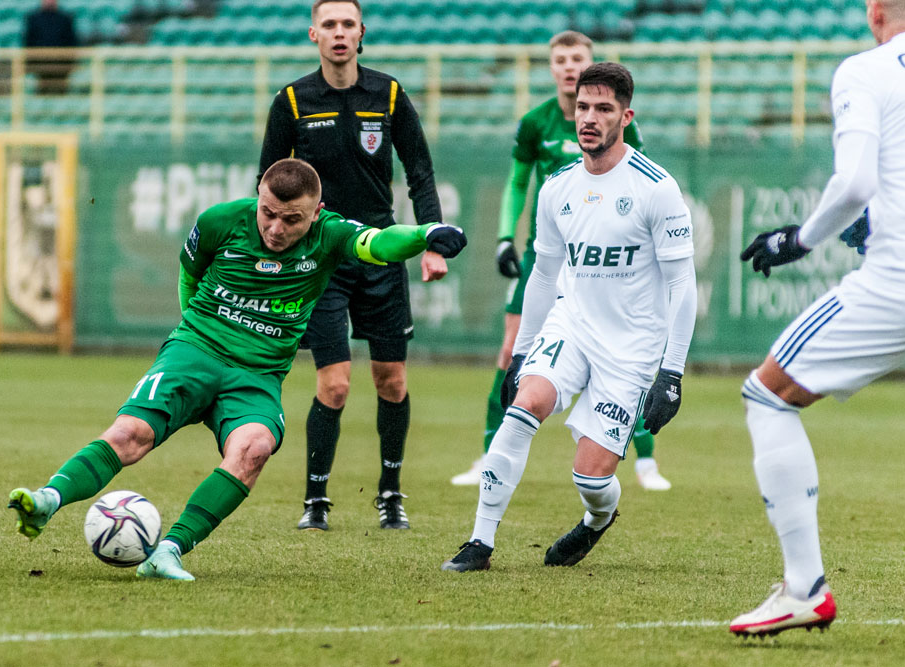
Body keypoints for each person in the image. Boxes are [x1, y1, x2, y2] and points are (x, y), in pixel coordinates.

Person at [8, 158, 466, 581]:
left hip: (257, 374)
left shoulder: (329, 234)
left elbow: (378, 242)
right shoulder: (220, 221)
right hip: (196, 350)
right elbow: (190, 272)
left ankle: (168, 550)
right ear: (258, 197)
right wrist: (191, 332)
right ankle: (49, 499)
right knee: (131, 435)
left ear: (315, 212)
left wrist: (425, 235)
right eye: (268, 212)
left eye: (292, 219)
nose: (276, 227)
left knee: (254, 447)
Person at [441, 63, 696, 573]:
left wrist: (672, 373)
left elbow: (682, 285)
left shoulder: (656, 188)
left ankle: (596, 521)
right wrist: (522, 349)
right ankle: (479, 542)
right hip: (571, 326)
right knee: (525, 403)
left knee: (591, 479)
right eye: (583, 107)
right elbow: (542, 275)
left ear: (626, 116)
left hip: (632, 349)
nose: (590, 118)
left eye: (603, 109)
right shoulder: (557, 186)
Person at [730, 0, 905, 638]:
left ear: (875, 12)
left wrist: (798, 240)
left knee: (767, 394)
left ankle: (804, 588)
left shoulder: (866, 70)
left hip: (901, 280)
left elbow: (856, 183)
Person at [449, 31, 672, 493]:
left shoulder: (618, 126)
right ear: (551, 67)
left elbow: (637, 187)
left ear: (590, 64)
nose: (569, 66)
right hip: (545, 253)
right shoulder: (537, 122)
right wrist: (506, 236)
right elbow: (516, 182)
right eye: (561, 59)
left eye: (578, 58)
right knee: (511, 351)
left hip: (602, 258)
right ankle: (491, 451)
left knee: (624, 357)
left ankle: (644, 460)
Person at [258, 0, 447, 532]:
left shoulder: (388, 93)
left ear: (361, 34)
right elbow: (268, 184)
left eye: (348, 25)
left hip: (380, 253)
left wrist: (431, 240)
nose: (339, 33)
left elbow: (420, 170)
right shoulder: (292, 99)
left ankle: (390, 493)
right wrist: (272, 244)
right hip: (321, 258)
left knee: (391, 380)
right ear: (313, 33)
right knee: (334, 384)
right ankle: (315, 500)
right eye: (330, 25)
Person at [23, 0, 78, 95]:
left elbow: (71, 41)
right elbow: (29, 41)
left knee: (61, 93)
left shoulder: (65, 18)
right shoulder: (33, 18)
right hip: (40, 65)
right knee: (42, 93)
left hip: (61, 65)